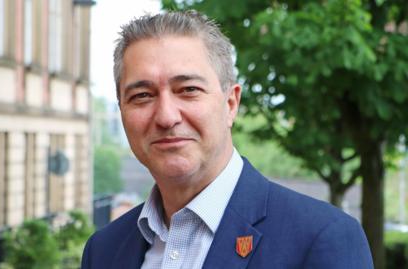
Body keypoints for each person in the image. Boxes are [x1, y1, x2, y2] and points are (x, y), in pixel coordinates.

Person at [81, 10, 373, 269]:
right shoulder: (103, 251)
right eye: (142, 96)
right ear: (122, 111)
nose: (166, 116)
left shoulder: (321, 239)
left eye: (188, 90)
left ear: (231, 104)